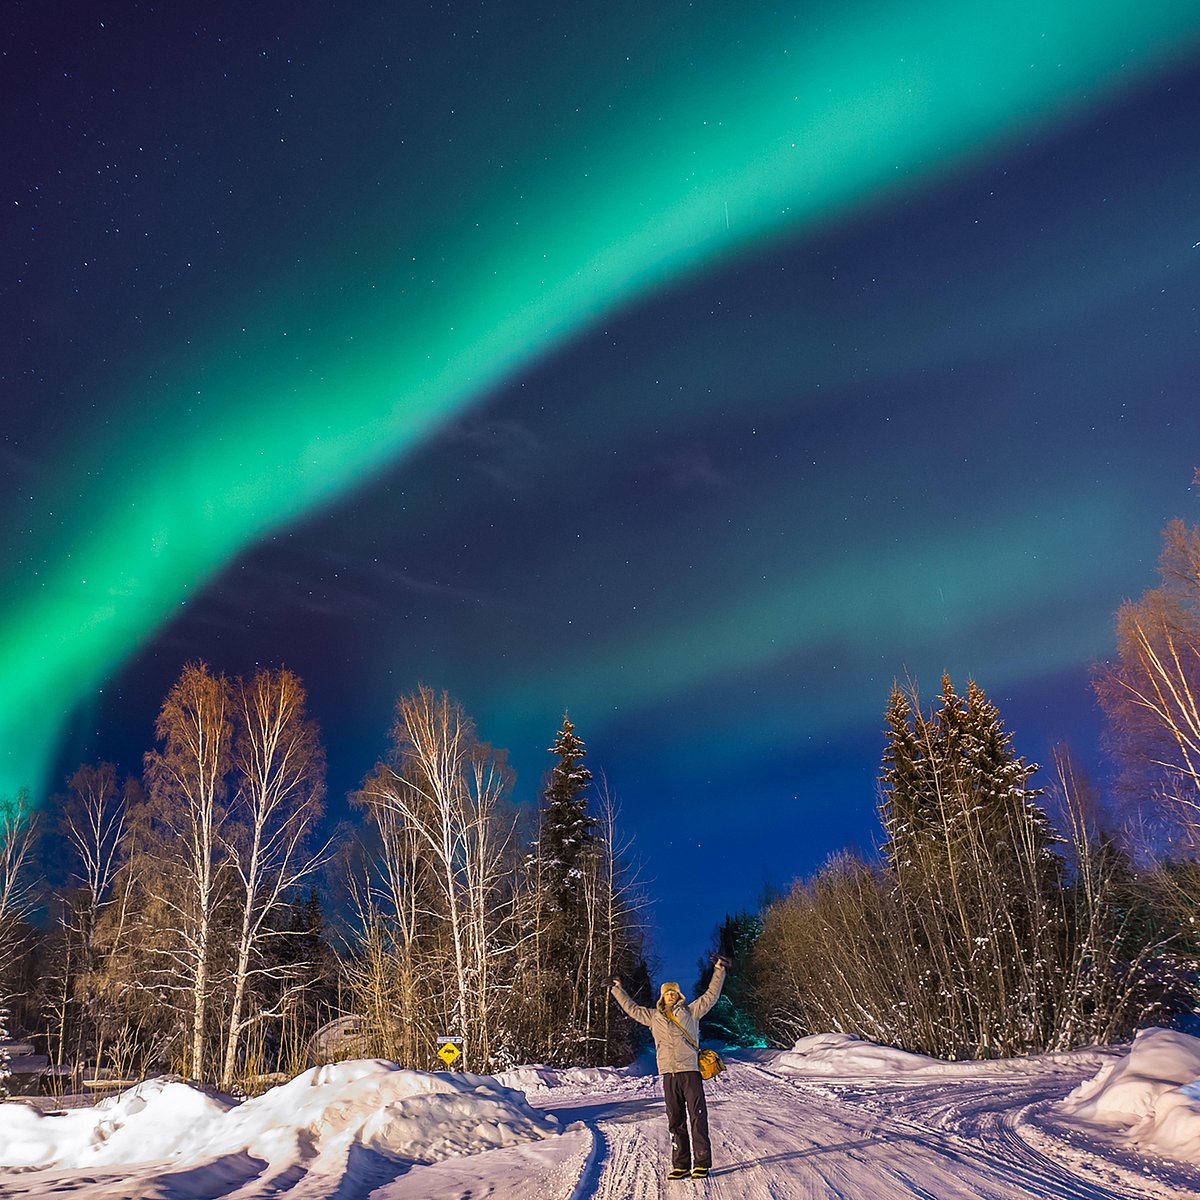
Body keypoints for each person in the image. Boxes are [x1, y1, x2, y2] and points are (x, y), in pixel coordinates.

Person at [611, 958, 727, 1180]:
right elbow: (632, 1009)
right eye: (667, 993)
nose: (670, 995)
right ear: (662, 996)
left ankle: (701, 1162)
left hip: (690, 1072)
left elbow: (711, 996)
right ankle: (681, 1164)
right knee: (675, 1120)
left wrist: (719, 970)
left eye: (674, 992)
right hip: (668, 1074)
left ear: (679, 995)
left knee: (697, 1116)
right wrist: (617, 989)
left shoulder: (691, 1012)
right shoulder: (654, 1017)